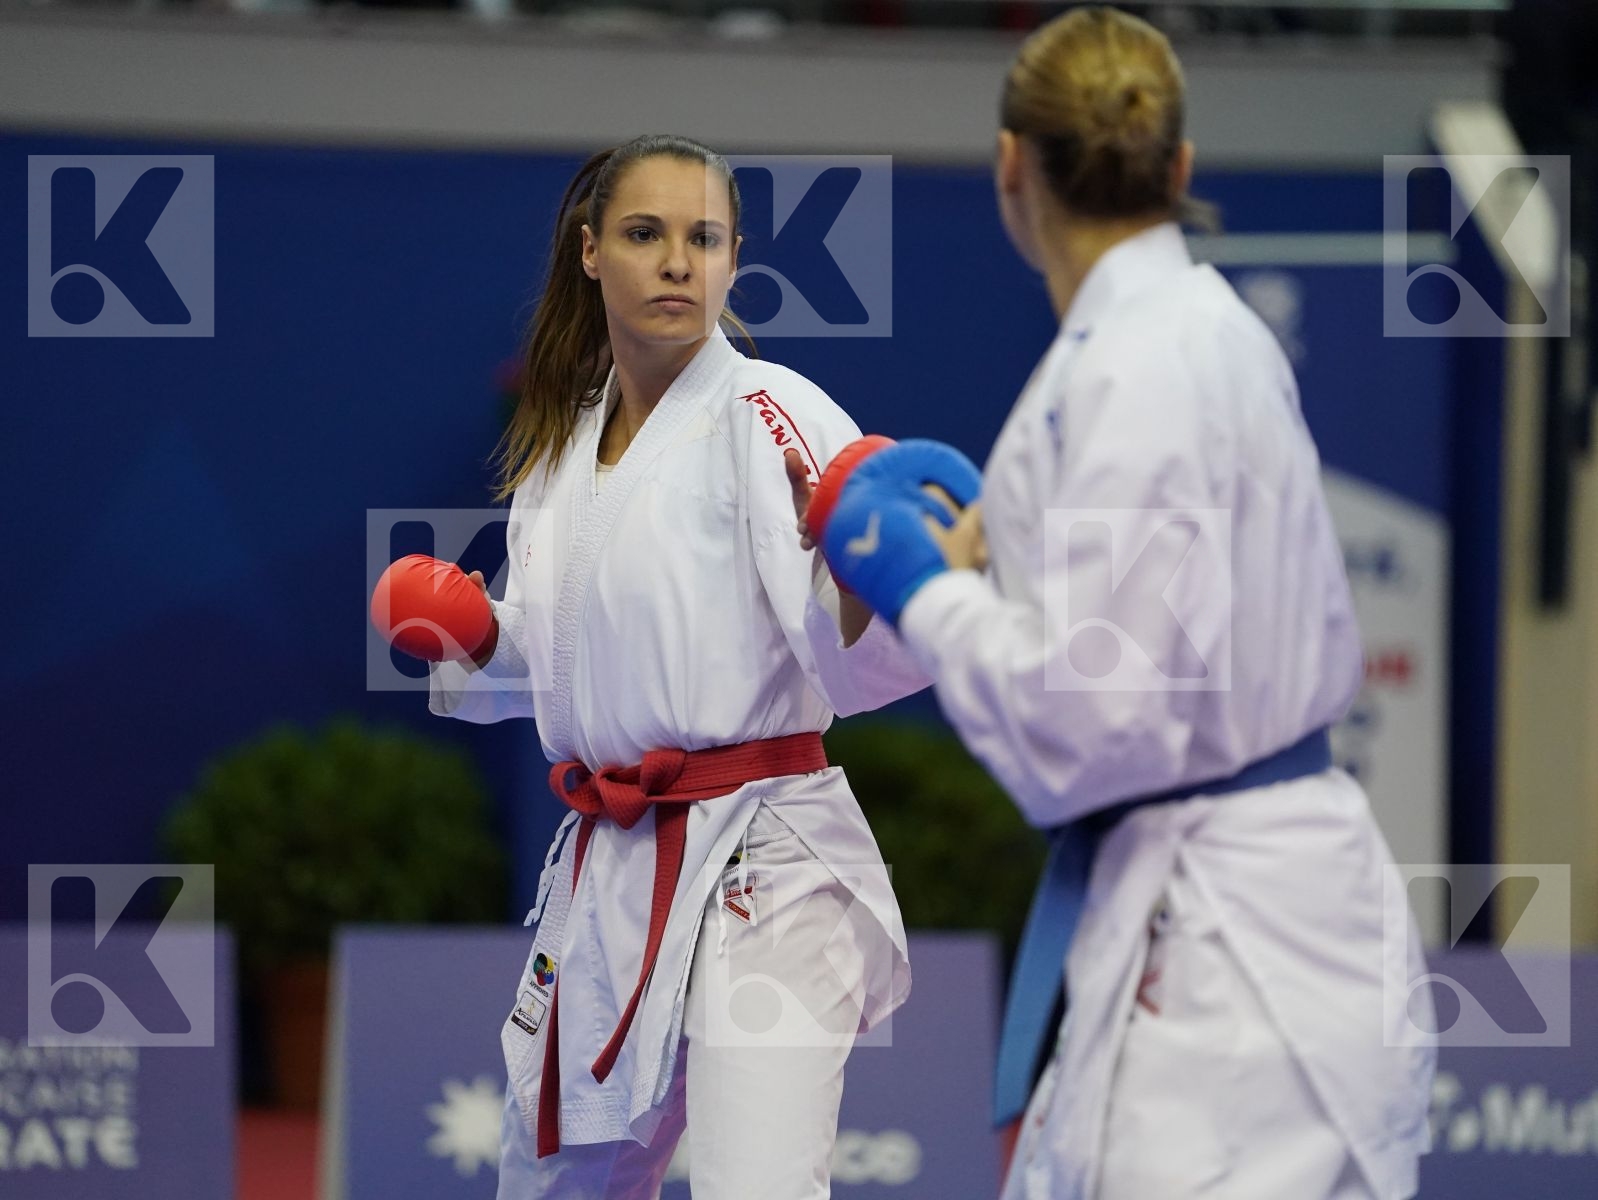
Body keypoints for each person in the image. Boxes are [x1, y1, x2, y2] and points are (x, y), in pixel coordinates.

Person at [809, 9, 1437, 1199]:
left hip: (1229, 960)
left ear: (1010, 168)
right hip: (1254, 902)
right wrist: (994, 560)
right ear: (1180, 168)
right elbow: (1145, 630)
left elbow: (1092, 715)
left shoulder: (1126, 369)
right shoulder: (1202, 333)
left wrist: (923, 591)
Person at [426, 134, 928, 1199]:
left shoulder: (769, 414)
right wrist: (474, 639)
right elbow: (576, 670)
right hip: (613, 864)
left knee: (756, 1184)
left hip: (768, 866)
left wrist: (855, 567)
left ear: (734, 257)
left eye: (701, 239)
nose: (675, 262)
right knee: (551, 1181)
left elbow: (860, 662)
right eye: (645, 234)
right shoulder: (560, 442)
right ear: (590, 251)